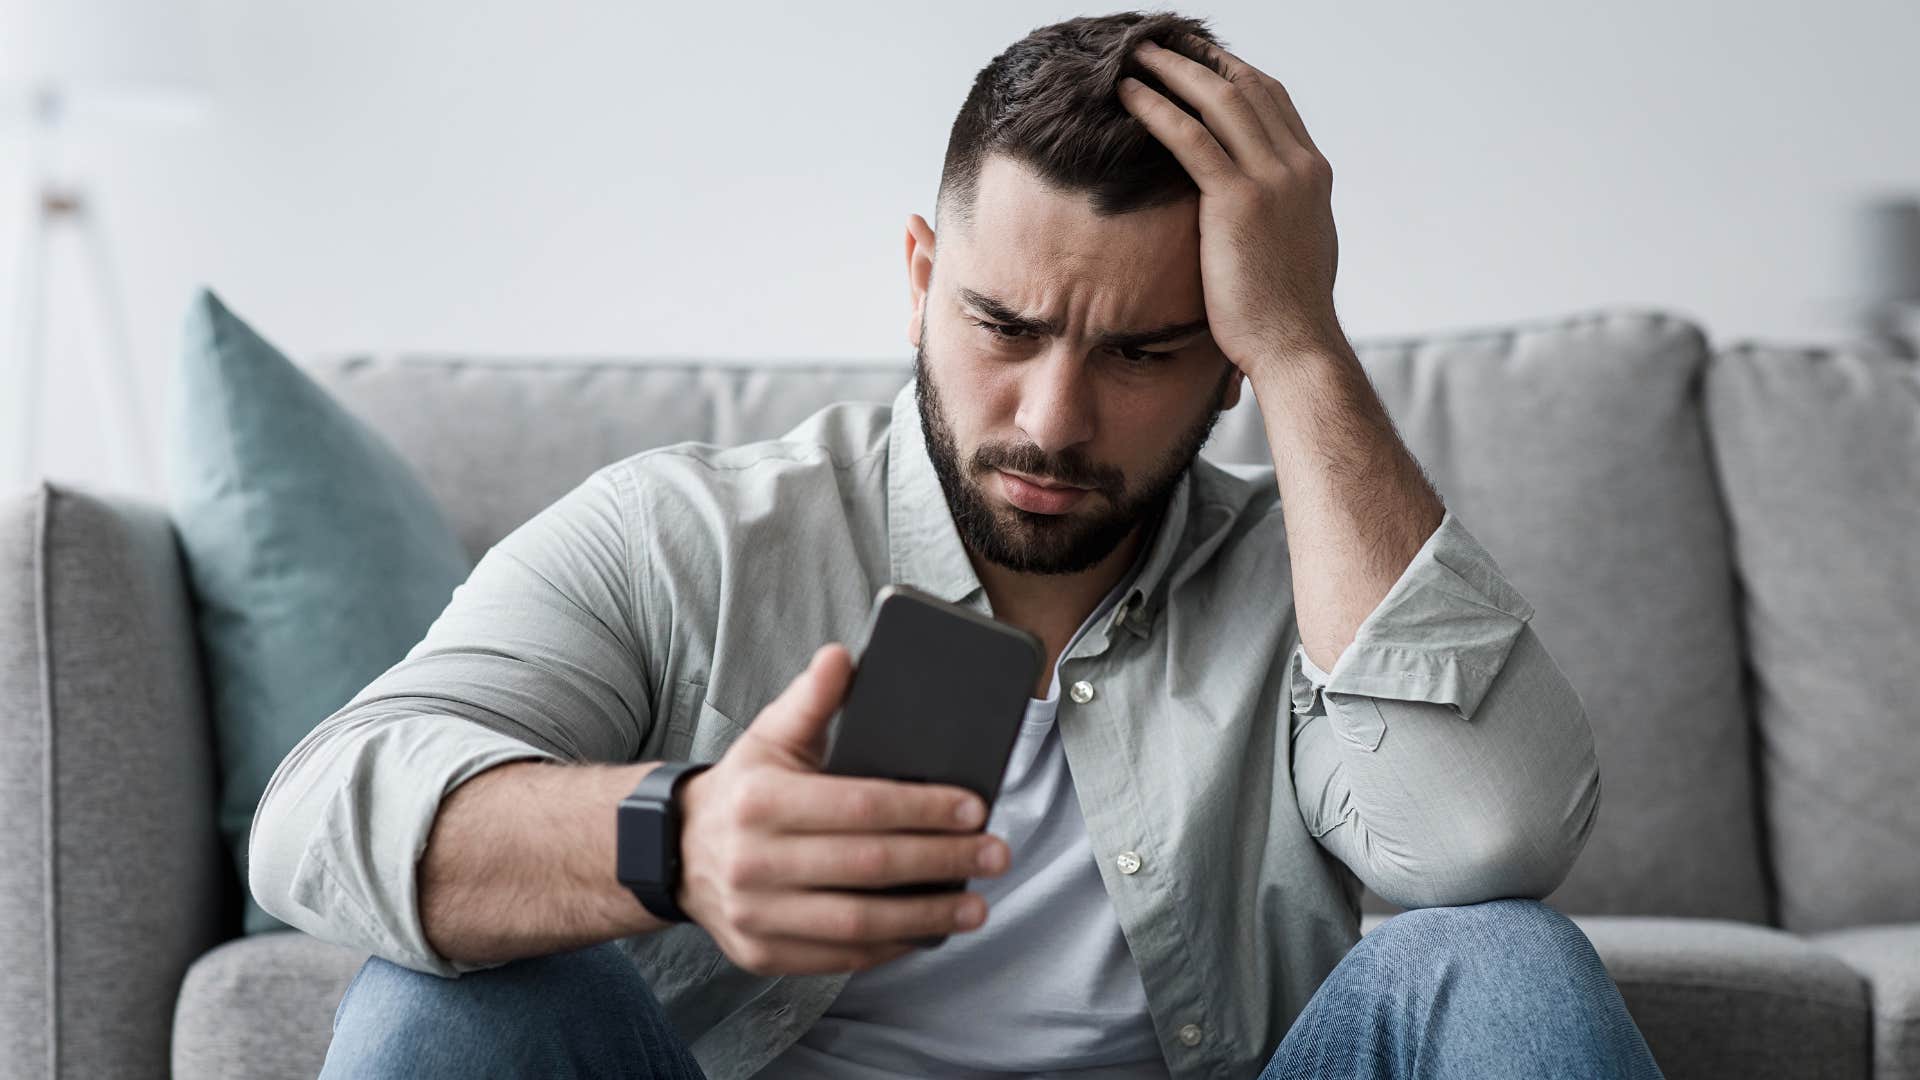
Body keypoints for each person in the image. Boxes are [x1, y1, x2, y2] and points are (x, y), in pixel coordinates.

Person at [250, 10, 1663, 1079]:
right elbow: (318, 814)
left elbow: (1490, 836)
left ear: (1225, 361)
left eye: (1145, 352)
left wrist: (1302, 342)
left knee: (1503, 964)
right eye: (1005, 326)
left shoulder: (1306, 577)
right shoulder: (688, 536)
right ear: (922, 277)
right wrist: (674, 840)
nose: (1053, 420)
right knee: (446, 993)